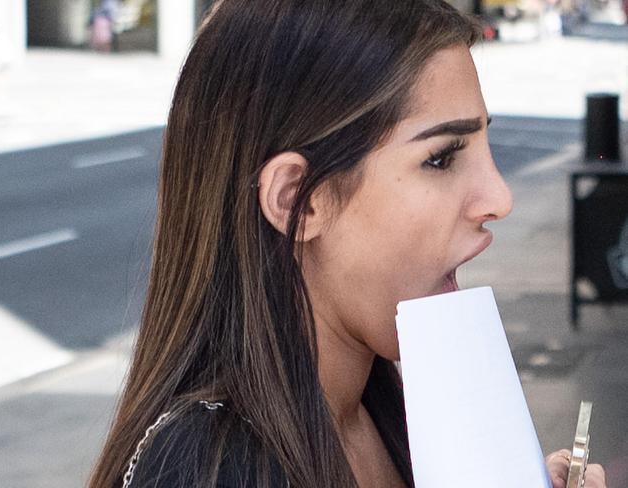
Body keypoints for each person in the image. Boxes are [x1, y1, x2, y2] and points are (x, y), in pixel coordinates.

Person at [88, 0, 608, 487]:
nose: (498, 197)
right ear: (297, 200)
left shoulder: (388, 405)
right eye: (442, 157)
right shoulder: (207, 468)